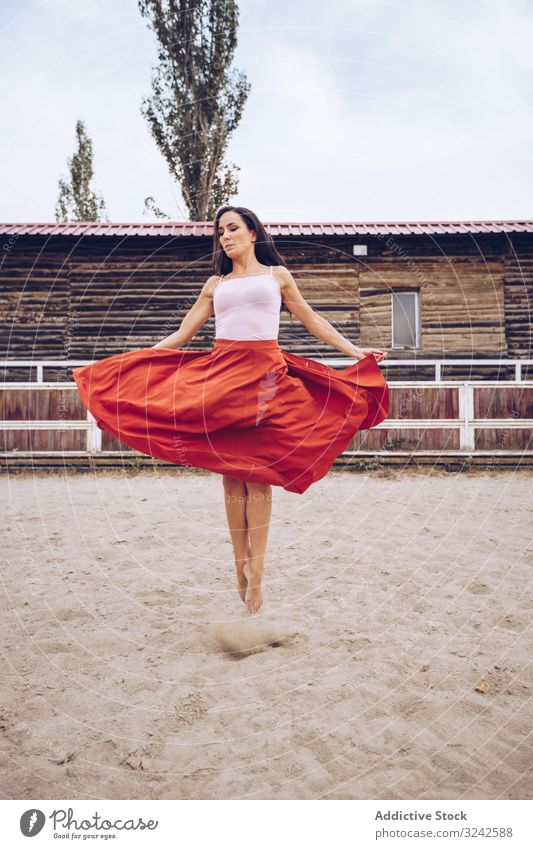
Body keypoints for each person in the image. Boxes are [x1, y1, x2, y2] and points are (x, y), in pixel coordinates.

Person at [73, 206, 389, 615]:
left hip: (264, 378)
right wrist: (126, 363)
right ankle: (238, 563)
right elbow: (183, 334)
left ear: (253, 232)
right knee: (229, 480)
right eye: (220, 231)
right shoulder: (214, 285)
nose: (225, 236)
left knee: (257, 478)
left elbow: (311, 319)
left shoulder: (276, 276)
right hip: (222, 380)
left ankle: (257, 571)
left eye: (233, 228)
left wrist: (353, 350)